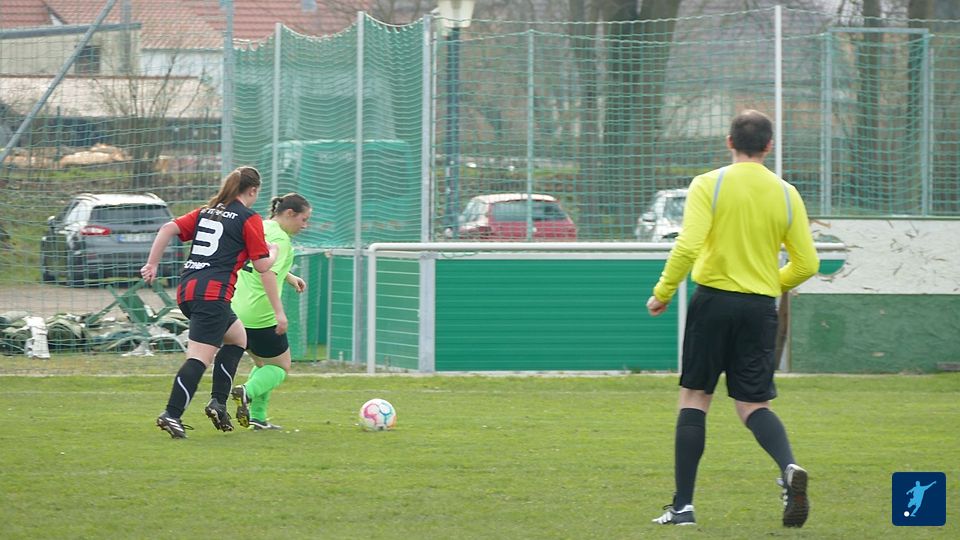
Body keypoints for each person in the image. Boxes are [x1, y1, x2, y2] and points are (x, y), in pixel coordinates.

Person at [646, 110, 819, 528]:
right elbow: (808, 264)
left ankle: (683, 507)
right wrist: (768, 282)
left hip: (714, 302)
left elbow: (688, 246)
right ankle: (788, 467)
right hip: (759, 309)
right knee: (753, 404)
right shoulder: (787, 194)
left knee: (695, 397)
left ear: (728, 142)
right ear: (769, 146)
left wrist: (663, 292)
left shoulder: (709, 183)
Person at [142, 166, 280, 439]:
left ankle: (218, 402)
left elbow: (168, 228)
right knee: (198, 358)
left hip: (189, 290)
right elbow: (263, 265)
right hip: (212, 295)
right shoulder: (248, 217)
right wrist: (273, 251)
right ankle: (172, 414)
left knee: (237, 338)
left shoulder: (208, 211)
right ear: (253, 190)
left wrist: (151, 264)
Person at [225, 192, 311, 430]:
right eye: (303, 219)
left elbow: (255, 261)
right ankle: (247, 392)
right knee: (281, 366)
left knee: (264, 364)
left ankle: (258, 417)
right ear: (289, 213)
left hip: (235, 308)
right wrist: (279, 313)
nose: (305, 225)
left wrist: (289, 277)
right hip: (260, 313)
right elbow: (268, 273)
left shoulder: (258, 226)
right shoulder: (281, 239)